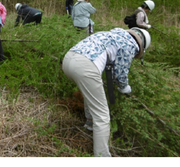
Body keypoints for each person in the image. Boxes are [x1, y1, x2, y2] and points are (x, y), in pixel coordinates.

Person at [62, 27, 150, 157]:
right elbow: (120, 73)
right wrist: (124, 88)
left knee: (92, 92)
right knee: (102, 117)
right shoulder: (130, 45)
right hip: (85, 66)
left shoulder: (111, 35)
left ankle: (90, 124)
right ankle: (102, 156)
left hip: (68, 59)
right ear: (141, 45)